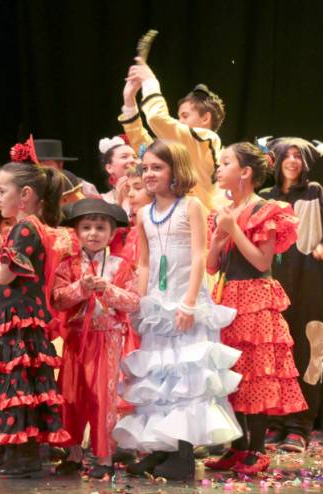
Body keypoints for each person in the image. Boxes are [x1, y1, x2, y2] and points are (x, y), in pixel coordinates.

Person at [112, 140, 240, 480]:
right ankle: (161, 448)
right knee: (159, 375)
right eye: (146, 168)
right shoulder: (144, 213)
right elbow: (144, 263)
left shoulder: (191, 206)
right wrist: (139, 303)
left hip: (186, 301)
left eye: (158, 168)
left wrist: (189, 303)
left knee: (186, 376)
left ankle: (182, 453)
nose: (149, 174)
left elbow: (199, 256)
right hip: (158, 303)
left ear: (175, 171)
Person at [205, 142, 307, 474]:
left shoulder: (265, 210)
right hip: (226, 296)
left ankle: (257, 448)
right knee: (230, 373)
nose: (219, 168)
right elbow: (211, 266)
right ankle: (237, 446)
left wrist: (234, 229)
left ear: (245, 172)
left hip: (255, 297)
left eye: (225, 163)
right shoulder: (222, 211)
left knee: (256, 371)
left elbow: (262, 261)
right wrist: (217, 242)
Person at [0, 155, 71, 478]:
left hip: (20, 318)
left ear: (25, 194)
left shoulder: (25, 228)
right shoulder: (26, 227)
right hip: (16, 317)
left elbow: (4, 274)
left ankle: (24, 456)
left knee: (18, 386)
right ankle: (15, 452)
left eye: (2, 191)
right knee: (18, 385)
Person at [259, 137, 323, 453]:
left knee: (307, 351)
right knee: (272, 353)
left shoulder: (315, 192)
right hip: (270, 285)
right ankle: (274, 422)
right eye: (288, 155)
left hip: (308, 282)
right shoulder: (265, 198)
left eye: (299, 156)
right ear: (277, 160)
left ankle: (299, 426)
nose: (293, 161)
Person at [50, 198, 140, 478]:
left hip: (107, 340)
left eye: (100, 228)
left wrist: (106, 289)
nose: (93, 233)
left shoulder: (121, 265)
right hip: (76, 340)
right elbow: (57, 299)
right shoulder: (67, 266)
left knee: (104, 398)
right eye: (86, 227)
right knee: (72, 396)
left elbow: (133, 301)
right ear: (77, 233)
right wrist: (81, 287)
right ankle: (73, 454)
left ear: (111, 235)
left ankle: (104, 457)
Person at [121, 58, 224, 211]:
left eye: (185, 116)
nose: (179, 121)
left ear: (205, 118)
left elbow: (157, 118)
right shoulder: (181, 148)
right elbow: (144, 146)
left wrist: (150, 82)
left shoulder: (208, 140)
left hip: (198, 222)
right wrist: (129, 101)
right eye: (179, 117)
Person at [34, 138, 99, 198]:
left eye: (44, 164)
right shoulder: (30, 187)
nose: (38, 169)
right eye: (34, 165)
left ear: (60, 165)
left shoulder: (82, 187)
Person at [98, 135, 138, 206]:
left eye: (134, 157)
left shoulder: (150, 188)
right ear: (109, 168)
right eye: (124, 157)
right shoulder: (105, 201)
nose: (132, 160)